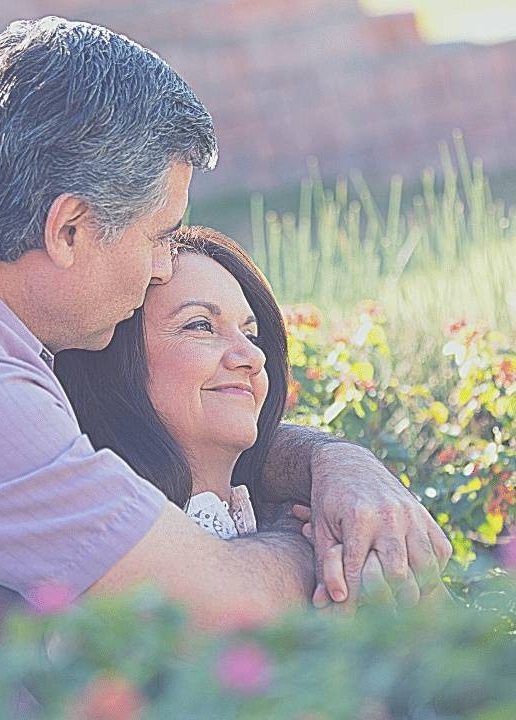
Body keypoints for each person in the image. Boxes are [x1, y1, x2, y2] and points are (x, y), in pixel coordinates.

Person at [0, 17, 450, 653]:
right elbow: (223, 608)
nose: (163, 265)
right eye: (158, 236)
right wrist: (324, 543)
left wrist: (333, 464)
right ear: (68, 229)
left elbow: (165, 427)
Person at [55, 226, 422, 605]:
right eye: (200, 325)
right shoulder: (89, 542)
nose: (252, 356)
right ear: (112, 359)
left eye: (252, 335)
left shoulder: (314, 519)